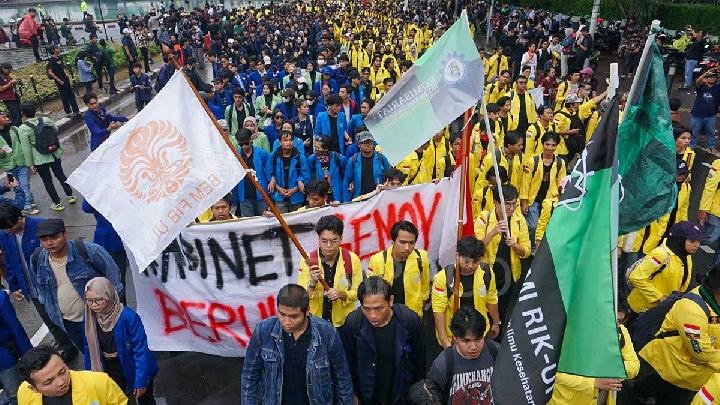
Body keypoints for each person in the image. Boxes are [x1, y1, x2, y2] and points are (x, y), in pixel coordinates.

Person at [620, 263, 720, 405]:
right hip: (662, 369)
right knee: (631, 397)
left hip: (690, 379)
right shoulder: (692, 310)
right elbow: (701, 352)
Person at [241, 284, 353, 404]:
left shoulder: (327, 333)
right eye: (282, 314)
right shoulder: (263, 330)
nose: (287, 322)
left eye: (293, 317)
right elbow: (249, 376)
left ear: (307, 311)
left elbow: (342, 378)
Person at [32, 218, 124, 353]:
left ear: (65, 234)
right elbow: (40, 288)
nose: (49, 243)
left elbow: (115, 281)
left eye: (54, 237)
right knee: (89, 356)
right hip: (70, 324)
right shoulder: (37, 258)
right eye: (44, 239)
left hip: (100, 319)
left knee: (114, 354)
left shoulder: (90, 251)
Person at [339, 277, 425, 404]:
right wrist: (352, 394)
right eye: (366, 309)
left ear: (390, 300)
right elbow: (347, 364)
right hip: (367, 396)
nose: (372, 315)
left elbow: (419, 362)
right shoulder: (353, 323)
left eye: (379, 308)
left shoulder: (409, 321)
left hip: (401, 395)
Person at [83, 277, 158, 404]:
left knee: (145, 399)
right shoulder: (90, 318)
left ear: (109, 296)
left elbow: (140, 351)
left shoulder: (128, 317)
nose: (93, 305)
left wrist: (140, 381)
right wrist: (91, 377)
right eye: (89, 300)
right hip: (110, 369)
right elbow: (88, 350)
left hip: (132, 366)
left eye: (98, 299)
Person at [549, 308, 639, 404]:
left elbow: (634, 366)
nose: (615, 325)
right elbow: (552, 372)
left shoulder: (621, 331)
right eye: (610, 319)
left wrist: (608, 369)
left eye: (620, 321)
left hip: (602, 399)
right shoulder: (567, 332)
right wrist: (593, 383)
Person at [475, 184, 531, 323]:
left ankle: (498, 330)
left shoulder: (519, 219)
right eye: (507, 204)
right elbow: (475, 249)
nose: (511, 208)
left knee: (502, 309)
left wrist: (515, 245)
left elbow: (526, 251)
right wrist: (493, 232)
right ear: (496, 202)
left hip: (508, 275)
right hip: (486, 274)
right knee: (483, 309)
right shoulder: (484, 218)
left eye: (514, 204)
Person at [432, 236, 499, 348]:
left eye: (475, 262)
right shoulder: (443, 277)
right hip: (455, 336)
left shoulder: (487, 272)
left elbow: (492, 299)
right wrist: (445, 342)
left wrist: (496, 323)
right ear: (458, 256)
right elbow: (439, 311)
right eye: (466, 261)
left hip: (480, 332)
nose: (470, 266)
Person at [297, 215, 363, 327]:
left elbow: (359, 292)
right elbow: (301, 298)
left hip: (343, 322)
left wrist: (341, 294)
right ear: (319, 239)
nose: (328, 246)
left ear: (340, 239)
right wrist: (312, 283)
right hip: (315, 322)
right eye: (324, 241)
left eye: (334, 241)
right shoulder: (308, 260)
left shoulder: (352, 259)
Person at [427, 307, 498, 403]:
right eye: (466, 341)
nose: (473, 347)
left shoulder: (496, 352)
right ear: (455, 338)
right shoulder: (443, 364)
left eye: (478, 339)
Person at [627, 221, 700, 314]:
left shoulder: (686, 255)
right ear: (680, 240)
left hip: (662, 308)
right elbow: (636, 277)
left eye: (698, 241)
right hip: (643, 309)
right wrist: (659, 297)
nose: (697, 245)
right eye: (692, 241)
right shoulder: (661, 255)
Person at [17, 345, 127, 404]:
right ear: (34, 388)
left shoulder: (99, 382)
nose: (61, 382)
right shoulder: (24, 393)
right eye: (49, 382)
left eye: (62, 372)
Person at [17, 103, 76, 212]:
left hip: (39, 159)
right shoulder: (46, 120)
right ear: (35, 111)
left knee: (47, 181)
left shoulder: (23, 128)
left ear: (23, 114)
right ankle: (70, 196)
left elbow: (26, 148)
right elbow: (55, 130)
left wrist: (30, 164)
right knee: (61, 175)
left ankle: (57, 203)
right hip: (53, 153)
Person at [367, 220, 430, 317]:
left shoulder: (422, 257)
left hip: (413, 315)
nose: (407, 247)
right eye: (402, 242)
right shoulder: (377, 260)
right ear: (393, 241)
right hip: (386, 316)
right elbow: (373, 292)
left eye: (411, 243)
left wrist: (420, 310)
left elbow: (425, 287)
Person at [521, 132, 566, 245]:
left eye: (553, 145)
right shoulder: (533, 161)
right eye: (547, 144)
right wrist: (524, 202)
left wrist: (561, 199)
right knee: (533, 225)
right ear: (542, 144)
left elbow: (562, 183)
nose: (550, 148)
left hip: (550, 199)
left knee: (547, 225)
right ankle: (531, 246)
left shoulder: (560, 163)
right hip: (534, 199)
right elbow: (525, 182)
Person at [0, 111, 36, 215]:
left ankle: (27, 205)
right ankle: (29, 200)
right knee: (17, 185)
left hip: (21, 162)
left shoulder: (15, 129)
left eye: (6, 115)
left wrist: (30, 161)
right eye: (3, 116)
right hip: (8, 166)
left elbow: (25, 144)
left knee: (24, 185)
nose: (6, 117)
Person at [0, 288, 32, 405]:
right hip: (5, 359)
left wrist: (29, 356)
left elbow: (16, 330)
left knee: (16, 394)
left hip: (4, 359)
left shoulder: (1, 298)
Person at [265, 129, 308, 213]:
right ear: (280, 142)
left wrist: (295, 189)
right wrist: (278, 188)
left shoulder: (300, 157)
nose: (289, 142)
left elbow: (306, 175)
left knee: (296, 220)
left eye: (290, 140)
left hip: (296, 196)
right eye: (285, 140)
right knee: (281, 220)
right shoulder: (273, 156)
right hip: (279, 196)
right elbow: (268, 173)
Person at [344, 131, 391, 201]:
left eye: (370, 142)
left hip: (378, 198)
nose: (368, 145)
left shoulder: (381, 158)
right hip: (360, 199)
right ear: (359, 145)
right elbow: (347, 181)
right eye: (364, 143)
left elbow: (389, 177)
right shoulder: (353, 160)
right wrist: (346, 203)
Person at [233, 129, 269, 217]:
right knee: (247, 222)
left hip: (261, 194)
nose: (244, 147)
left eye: (246, 143)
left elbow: (268, 172)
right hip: (244, 195)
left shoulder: (261, 153)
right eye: (241, 144)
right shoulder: (235, 156)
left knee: (264, 220)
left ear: (251, 140)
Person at [306, 136, 346, 203]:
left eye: (318, 147)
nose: (316, 149)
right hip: (319, 195)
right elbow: (307, 175)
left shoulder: (338, 158)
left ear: (326, 148)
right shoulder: (312, 159)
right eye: (315, 147)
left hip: (337, 194)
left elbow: (346, 174)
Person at [690, 68, 720, 154]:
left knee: (711, 133)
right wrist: (706, 73)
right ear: (705, 78)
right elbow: (697, 81)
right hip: (697, 115)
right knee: (694, 133)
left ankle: (712, 147)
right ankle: (691, 147)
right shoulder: (701, 86)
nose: (712, 78)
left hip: (710, 116)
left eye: (714, 77)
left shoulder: (718, 87)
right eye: (710, 77)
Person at [46, 45, 80, 118]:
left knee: (71, 95)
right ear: (53, 50)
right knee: (64, 96)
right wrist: (58, 80)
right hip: (60, 80)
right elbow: (50, 72)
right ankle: (68, 112)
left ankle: (76, 111)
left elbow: (62, 67)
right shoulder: (52, 60)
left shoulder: (60, 58)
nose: (59, 49)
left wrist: (67, 74)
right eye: (57, 48)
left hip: (65, 78)